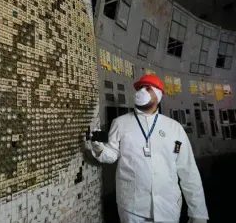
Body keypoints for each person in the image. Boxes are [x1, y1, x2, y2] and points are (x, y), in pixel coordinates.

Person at [87, 75, 208, 223]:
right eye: (139, 88)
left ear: (158, 95)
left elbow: (188, 170)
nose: (141, 91)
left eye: (148, 88)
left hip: (168, 208)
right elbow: (112, 154)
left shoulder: (174, 128)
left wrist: (198, 212)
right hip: (132, 208)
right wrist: (99, 148)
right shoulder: (120, 123)